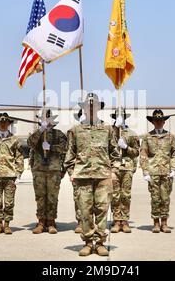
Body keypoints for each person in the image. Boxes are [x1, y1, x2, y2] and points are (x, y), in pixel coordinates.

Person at [64, 93, 119, 257]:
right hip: (82, 177)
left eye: (94, 105)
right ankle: (88, 242)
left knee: (102, 210)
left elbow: (115, 153)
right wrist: (71, 173)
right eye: (88, 106)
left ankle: (100, 242)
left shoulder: (107, 129)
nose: (91, 108)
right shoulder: (75, 130)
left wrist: (114, 171)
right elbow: (70, 155)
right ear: (84, 109)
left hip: (103, 176)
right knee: (85, 211)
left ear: (98, 108)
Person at [27, 108, 67, 234]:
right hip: (39, 170)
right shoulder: (36, 134)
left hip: (53, 169)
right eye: (44, 120)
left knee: (52, 197)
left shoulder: (59, 134)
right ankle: (41, 221)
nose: (46, 122)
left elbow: (65, 149)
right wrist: (40, 130)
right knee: (40, 197)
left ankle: (51, 221)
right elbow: (30, 143)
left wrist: (51, 147)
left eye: (48, 119)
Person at [140, 109, 175, 233]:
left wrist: (174, 168)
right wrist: (145, 171)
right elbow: (143, 154)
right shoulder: (147, 136)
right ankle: (156, 223)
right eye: (156, 121)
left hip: (166, 172)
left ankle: (164, 223)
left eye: (160, 120)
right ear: (153, 122)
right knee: (155, 198)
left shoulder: (170, 136)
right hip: (153, 172)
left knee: (165, 198)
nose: (158, 123)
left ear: (164, 122)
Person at [0, 113, 24, 235]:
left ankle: (7, 225)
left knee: (9, 202)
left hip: (10, 175)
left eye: (5, 122)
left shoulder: (15, 140)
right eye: (0, 123)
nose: (3, 124)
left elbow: (19, 157)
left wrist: (18, 174)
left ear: (8, 124)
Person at [110, 108, 140, 234]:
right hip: (114, 167)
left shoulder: (131, 134)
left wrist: (126, 147)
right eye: (117, 116)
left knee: (125, 195)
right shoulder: (110, 133)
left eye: (121, 116)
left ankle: (125, 220)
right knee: (115, 195)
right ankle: (117, 221)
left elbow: (136, 152)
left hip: (127, 167)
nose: (119, 118)